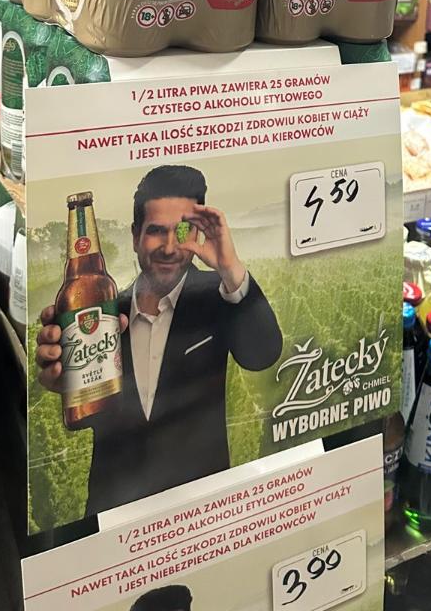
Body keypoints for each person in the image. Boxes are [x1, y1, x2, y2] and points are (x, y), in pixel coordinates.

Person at [36, 165, 283, 515]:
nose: (169, 247)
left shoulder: (217, 296)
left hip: (202, 509)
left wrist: (230, 268)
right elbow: (91, 417)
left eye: (182, 231)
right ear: (135, 236)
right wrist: (64, 380)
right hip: (116, 513)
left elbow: (263, 354)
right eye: (156, 231)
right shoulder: (106, 312)